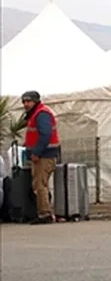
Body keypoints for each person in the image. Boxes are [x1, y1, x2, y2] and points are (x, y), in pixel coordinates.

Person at [20, 91, 59, 225]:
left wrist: (36, 152)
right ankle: (45, 211)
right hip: (43, 155)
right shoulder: (38, 114)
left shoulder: (41, 114)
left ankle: (45, 214)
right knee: (42, 184)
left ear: (36, 101)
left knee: (39, 185)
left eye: (28, 101)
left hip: (44, 156)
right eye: (24, 102)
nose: (26, 104)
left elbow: (45, 134)